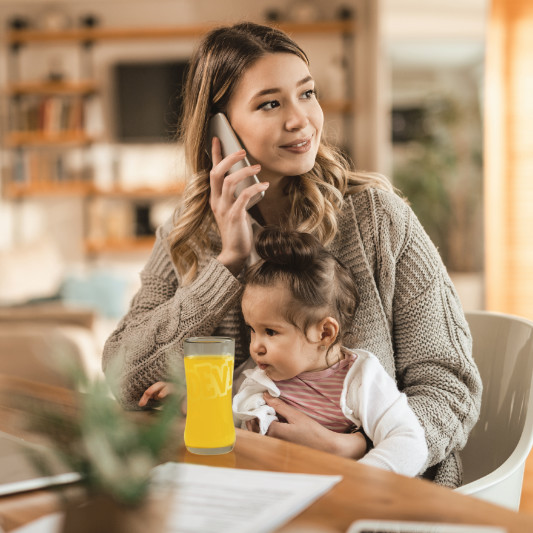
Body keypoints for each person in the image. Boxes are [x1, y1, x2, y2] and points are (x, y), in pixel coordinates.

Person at [103, 21, 482, 488]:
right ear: (220, 130)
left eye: (307, 93)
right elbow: (124, 377)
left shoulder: (376, 217)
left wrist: (359, 448)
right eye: (270, 103)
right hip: (237, 488)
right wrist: (229, 264)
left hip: (382, 493)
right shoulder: (188, 233)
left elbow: (450, 385)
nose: (300, 119)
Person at [232, 227, 428, 477]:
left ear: (324, 333)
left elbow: (408, 441)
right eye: (252, 330)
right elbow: (226, 411)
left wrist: (354, 481)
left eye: (270, 332)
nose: (255, 346)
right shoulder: (264, 375)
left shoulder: (360, 379)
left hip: (336, 495)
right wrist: (193, 402)